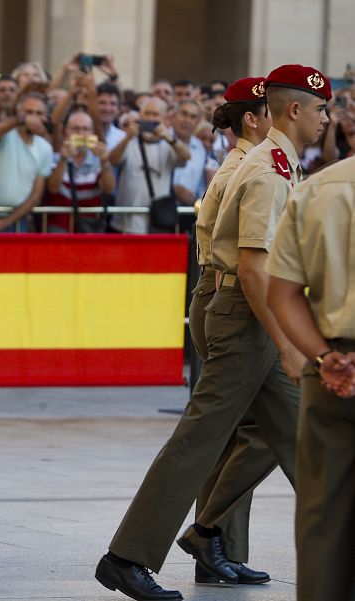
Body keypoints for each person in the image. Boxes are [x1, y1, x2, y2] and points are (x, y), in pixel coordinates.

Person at [94, 63, 330, 601]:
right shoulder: (268, 170)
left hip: (250, 314)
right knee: (200, 438)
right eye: (320, 109)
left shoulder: (278, 163)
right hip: (246, 319)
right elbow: (253, 267)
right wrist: (290, 343)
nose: (326, 119)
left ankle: (207, 535)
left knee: (308, 437)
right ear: (293, 109)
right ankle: (126, 556)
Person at [187, 76, 275, 586]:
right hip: (228, 295)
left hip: (216, 292)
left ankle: (218, 548)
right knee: (249, 433)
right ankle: (210, 537)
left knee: (233, 435)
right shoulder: (248, 165)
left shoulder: (244, 161)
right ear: (254, 117)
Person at [267, 154, 355, 601]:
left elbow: (281, 292)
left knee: (323, 524)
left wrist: (323, 359)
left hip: (337, 370)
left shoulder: (317, 190)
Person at [108, 96, 190, 233]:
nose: (150, 118)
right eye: (147, 113)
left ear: (164, 118)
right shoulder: (128, 140)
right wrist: (127, 138)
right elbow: (113, 160)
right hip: (126, 223)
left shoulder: (169, 142)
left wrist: (168, 137)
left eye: (155, 114)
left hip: (157, 222)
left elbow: (186, 156)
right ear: (140, 115)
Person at [0, 91, 53, 232]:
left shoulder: (45, 148)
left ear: (45, 117)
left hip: (17, 221)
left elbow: (35, 196)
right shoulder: (6, 135)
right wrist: (20, 120)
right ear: (19, 114)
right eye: (29, 112)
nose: (34, 117)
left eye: (39, 113)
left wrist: (3, 223)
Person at [42, 110, 114, 233]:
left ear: (92, 133)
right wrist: (63, 160)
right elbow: (53, 188)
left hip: (90, 225)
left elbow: (108, 189)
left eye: (85, 129)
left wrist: (105, 162)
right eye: (75, 128)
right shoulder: (55, 158)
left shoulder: (99, 159)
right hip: (59, 225)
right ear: (66, 132)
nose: (81, 133)